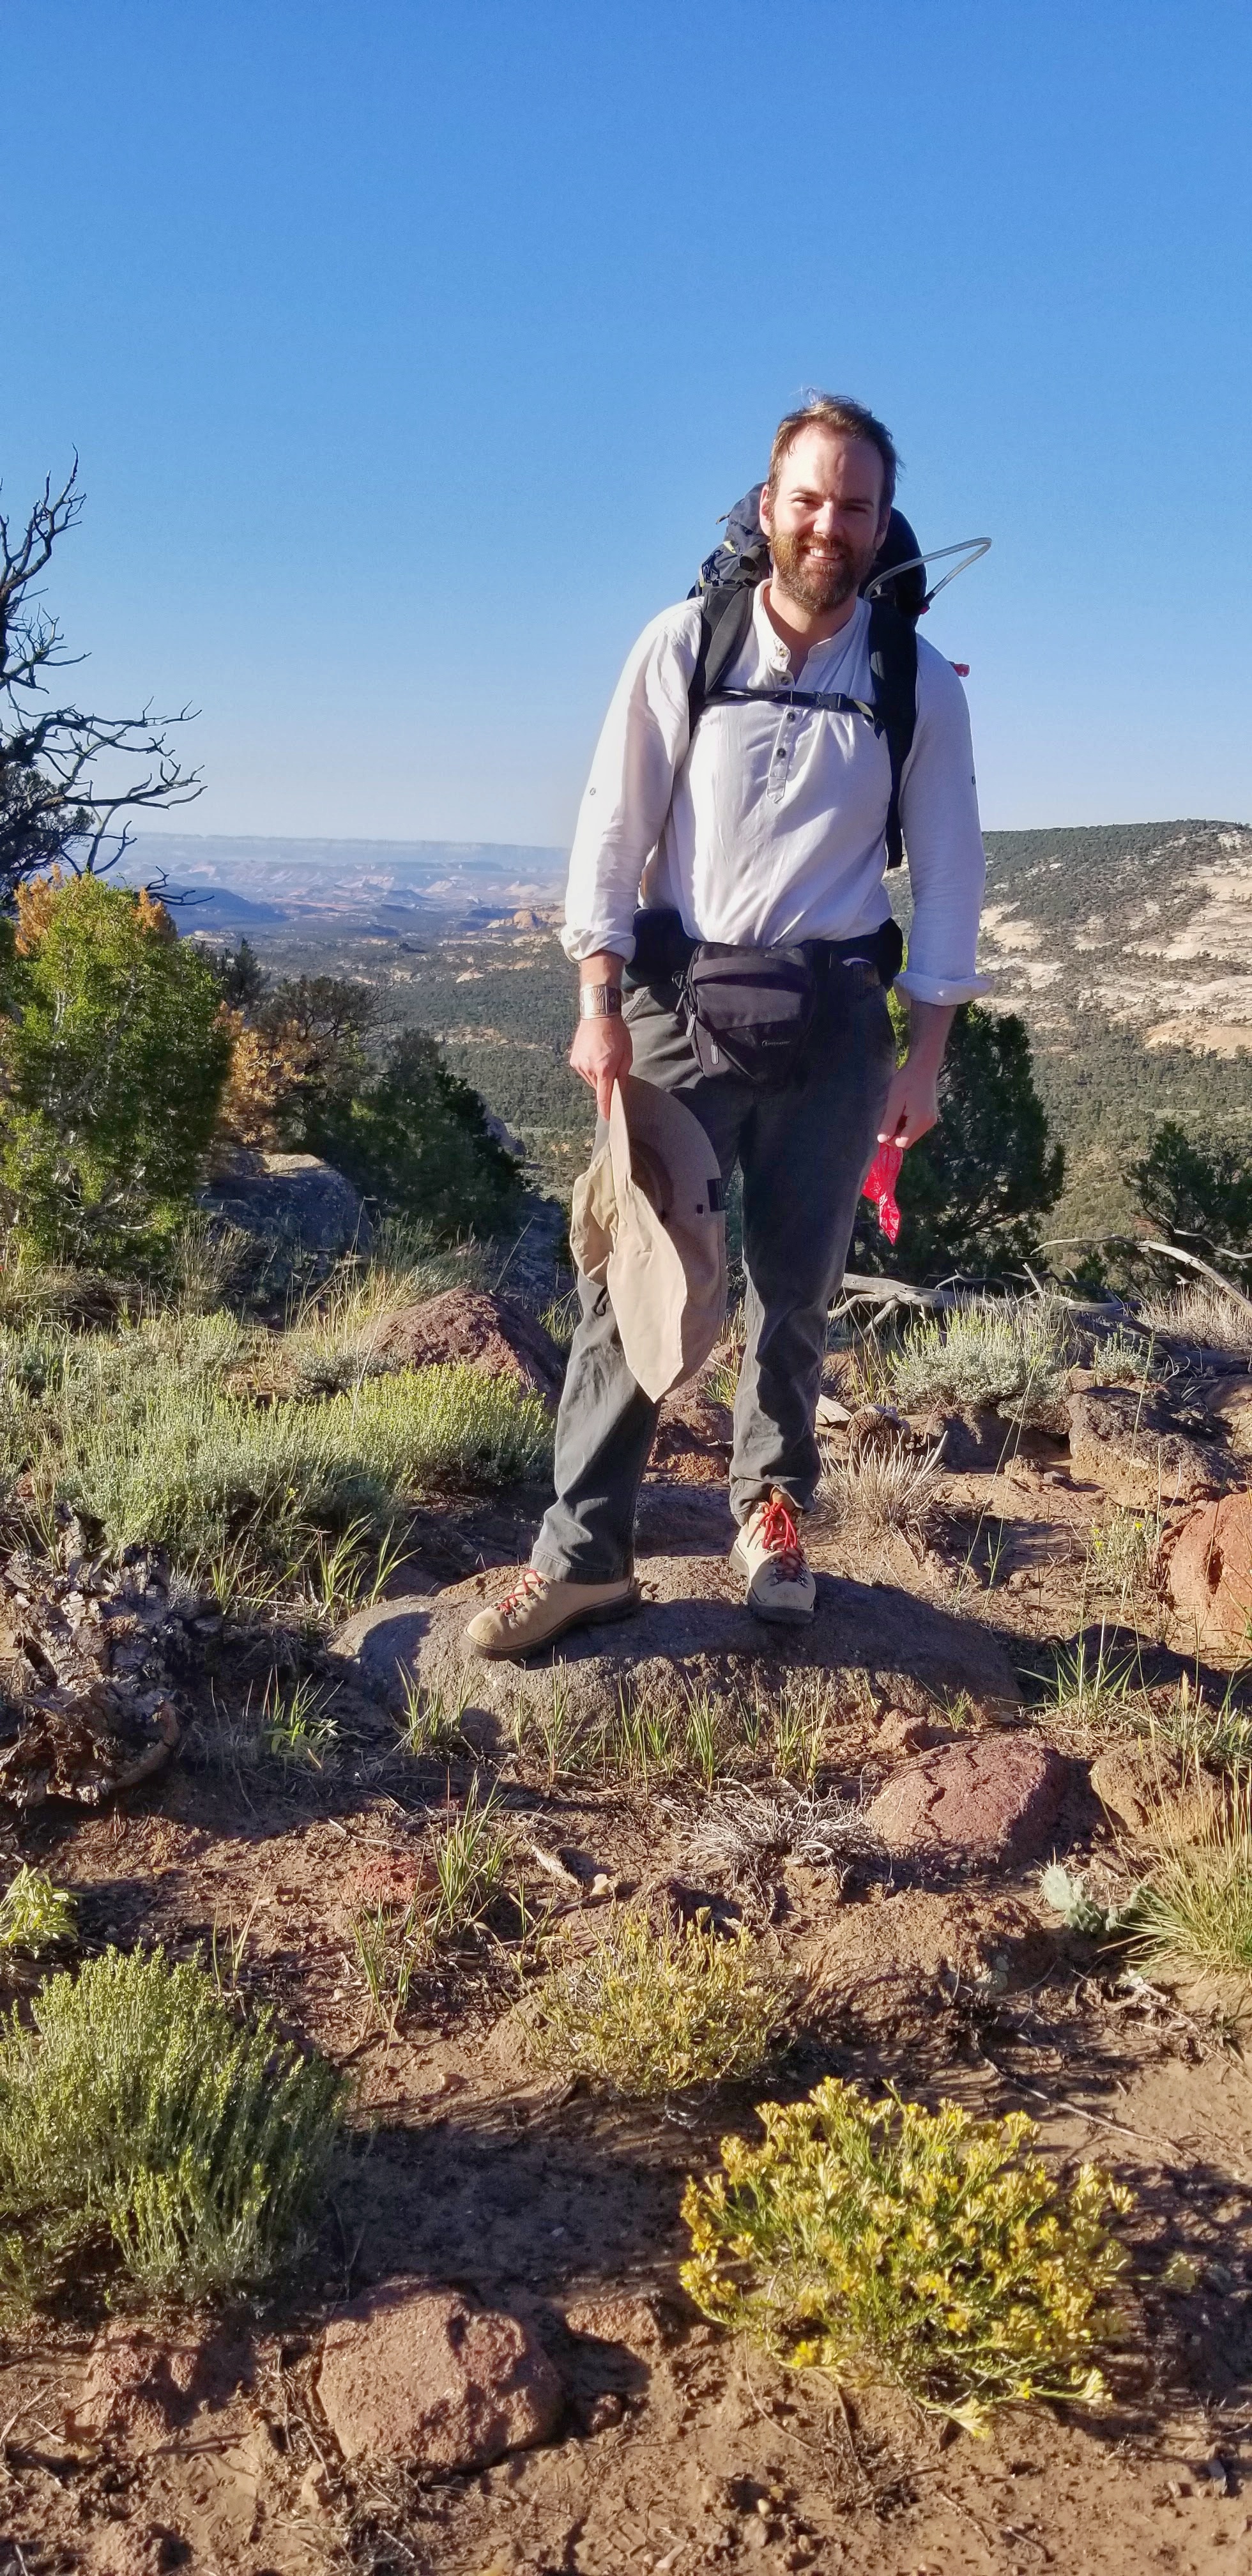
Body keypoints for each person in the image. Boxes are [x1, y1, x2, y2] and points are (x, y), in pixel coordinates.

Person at [466, 392, 988, 1659]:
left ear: (878, 525)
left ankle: (769, 1519)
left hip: (835, 1026)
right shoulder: (683, 644)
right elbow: (610, 826)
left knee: (793, 1292)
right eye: (805, 500)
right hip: (674, 1010)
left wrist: (923, 1055)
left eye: (851, 507)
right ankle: (585, 1560)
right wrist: (595, 1003)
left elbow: (951, 869)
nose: (827, 526)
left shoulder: (910, 682)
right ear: (767, 506)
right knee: (634, 1286)